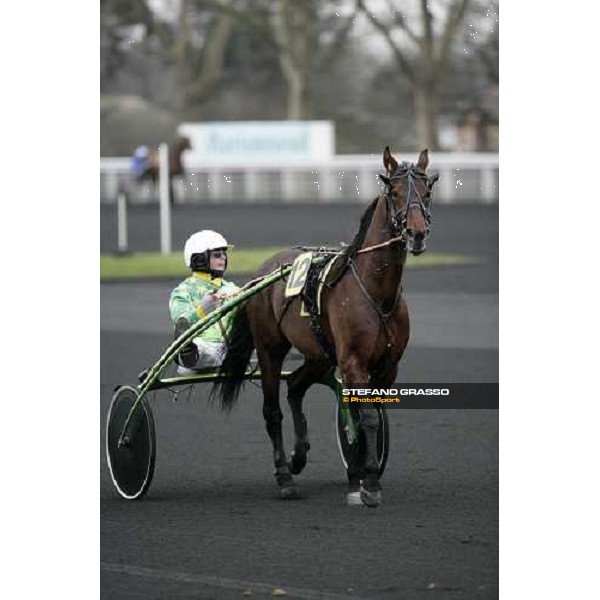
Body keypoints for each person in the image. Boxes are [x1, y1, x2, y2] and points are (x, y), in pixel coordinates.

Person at [169, 230, 240, 373]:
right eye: (217, 254)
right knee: (202, 348)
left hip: (232, 349)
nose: (224, 258)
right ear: (200, 258)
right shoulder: (183, 291)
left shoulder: (232, 288)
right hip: (202, 350)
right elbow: (181, 322)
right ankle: (187, 351)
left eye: (224, 254)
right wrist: (202, 310)